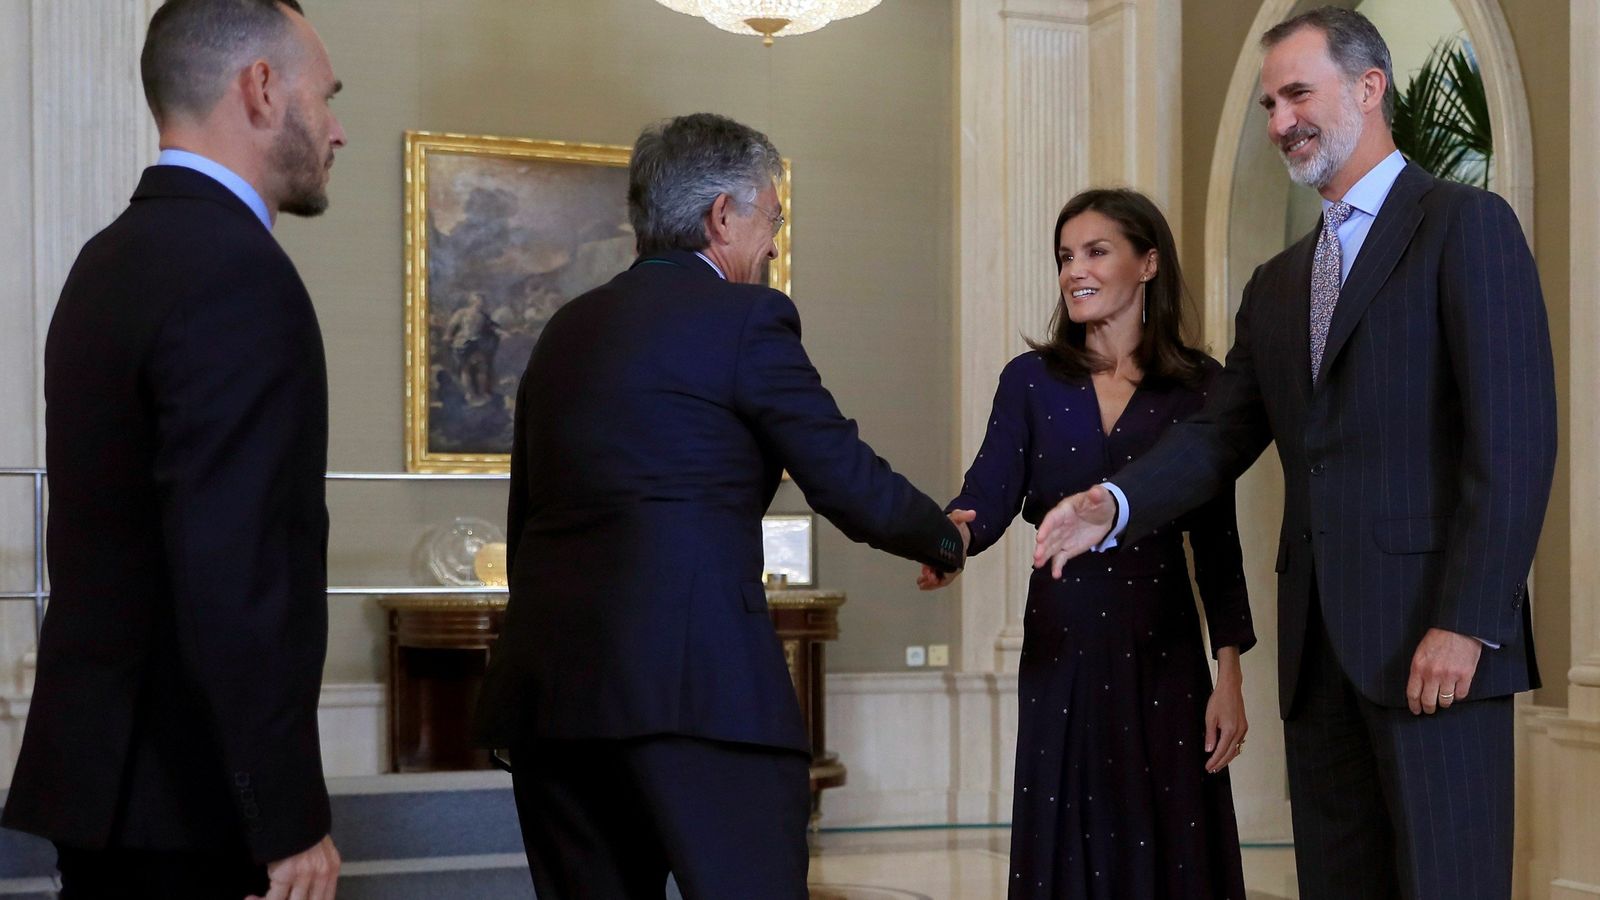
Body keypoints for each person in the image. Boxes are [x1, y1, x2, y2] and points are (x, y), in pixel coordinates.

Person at [1034, 8, 1555, 899]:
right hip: (1318, 658)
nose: (1280, 121)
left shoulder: (1466, 225)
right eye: (1270, 104)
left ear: (1368, 88)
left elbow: (1514, 442)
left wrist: (1467, 622)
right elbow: (1218, 434)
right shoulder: (1277, 284)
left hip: (1438, 645)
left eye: (1297, 94)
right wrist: (1111, 503)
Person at [473, 112, 967, 900]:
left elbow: (527, 512)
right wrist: (941, 538)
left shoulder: (564, 330)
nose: (772, 242)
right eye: (771, 218)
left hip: (552, 696)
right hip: (698, 691)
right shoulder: (746, 319)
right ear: (722, 217)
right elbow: (839, 472)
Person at [1, 1, 347, 897]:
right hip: (193, 808)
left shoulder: (108, 259)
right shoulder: (238, 272)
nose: (339, 130)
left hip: (107, 789)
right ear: (262, 89)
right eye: (327, 96)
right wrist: (286, 816)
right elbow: (233, 567)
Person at [920, 189, 1254, 897]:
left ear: (1148, 262)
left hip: (1164, 650)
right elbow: (987, 493)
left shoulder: (1201, 388)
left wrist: (1229, 676)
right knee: (1067, 839)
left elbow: (1217, 545)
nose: (1076, 269)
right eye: (1066, 256)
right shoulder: (1030, 381)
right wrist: (944, 541)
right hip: (1062, 648)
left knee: (1170, 838)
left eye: (1096, 251)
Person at [444, 292, 501, 405]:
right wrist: (448, 335)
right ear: (472, 301)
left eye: (482, 301)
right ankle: (470, 394)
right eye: (478, 300)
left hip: (477, 343)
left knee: (482, 367)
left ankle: (482, 393)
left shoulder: (484, 316)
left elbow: (492, 327)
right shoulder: (462, 313)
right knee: (466, 368)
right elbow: (452, 325)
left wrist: (502, 332)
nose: (481, 303)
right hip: (462, 343)